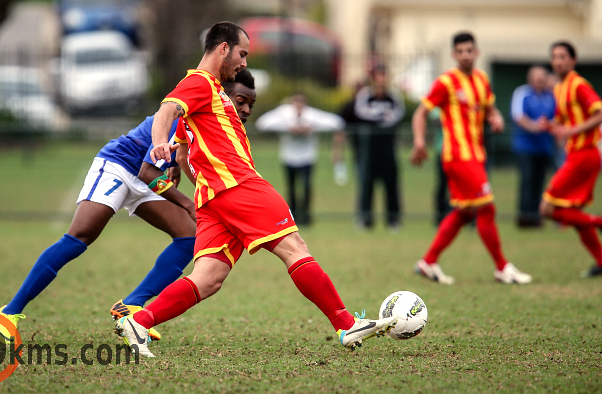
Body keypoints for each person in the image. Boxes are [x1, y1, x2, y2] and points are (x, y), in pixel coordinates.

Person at [114, 21, 398, 357]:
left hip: (212, 199)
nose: (245, 62)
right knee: (295, 247)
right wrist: (160, 142)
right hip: (238, 185)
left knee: (208, 278)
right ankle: (347, 324)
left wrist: (178, 158)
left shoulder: (214, 90)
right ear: (223, 48)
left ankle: (140, 321)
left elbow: (185, 143)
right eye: (242, 53)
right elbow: (167, 110)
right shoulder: (200, 83)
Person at [0, 69, 258, 344]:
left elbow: (182, 153)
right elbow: (147, 169)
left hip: (150, 177)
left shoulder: (219, 124)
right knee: (80, 237)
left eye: (251, 104)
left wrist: (176, 166)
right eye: (240, 101)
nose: (246, 109)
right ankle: (9, 311)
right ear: (221, 96)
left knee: (188, 237)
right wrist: (189, 204)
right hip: (120, 167)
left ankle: (130, 306)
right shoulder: (190, 109)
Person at [409, 31, 532, 285]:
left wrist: (495, 118)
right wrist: (420, 142)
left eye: (469, 50)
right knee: (487, 207)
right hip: (457, 155)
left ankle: (428, 262)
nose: (465, 55)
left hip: (476, 154)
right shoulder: (446, 82)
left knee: (465, 212)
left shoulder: (481, 79)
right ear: (454, 55)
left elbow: (489, 107)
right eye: (460, 51)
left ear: (476, 53)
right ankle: (502, 267)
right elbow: (420, 113)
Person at [539, 41, 602, 278]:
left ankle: (601, 222)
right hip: (575, 154)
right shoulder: (559, 88)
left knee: (547, 209)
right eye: (554, 56)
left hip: (584, 155)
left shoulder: (579, 85)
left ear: (573, 60)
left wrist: (571, 132)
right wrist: (552, 126)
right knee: (574, 215)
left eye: (563, 56)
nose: (558, 61)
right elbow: (567, 124)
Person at [255, 93, 345, 225]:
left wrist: (312, 128)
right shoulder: (284, 113)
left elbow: (336, 122)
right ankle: (293, 216)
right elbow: (262, 123)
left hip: (307, 158)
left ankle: (307, 216)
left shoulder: (311, 115)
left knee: (307, 187)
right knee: (291, 188)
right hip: (288, 157)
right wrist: (288, 129)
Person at [340, 64, 405, 230]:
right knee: (366, 183)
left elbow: (398, 115)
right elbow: (361, 112)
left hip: (388, 146)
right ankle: (364, 219)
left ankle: (393, 220)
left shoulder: (393, 97)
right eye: (378, 75)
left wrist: (380, 120)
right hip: (368, 147)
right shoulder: (365, 95)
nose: (381, 79)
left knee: (391, 182)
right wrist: (381, 118)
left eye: (384, 75)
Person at [511, 66, 556, 227]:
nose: (540, 80)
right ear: (530, 78)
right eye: (536, 77)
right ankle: (525, 217)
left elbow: (557, 116)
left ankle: (537, 217)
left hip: (544, 147)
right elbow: (518, 116)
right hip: (525, 147)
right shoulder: (522, 93)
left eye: (542, 77)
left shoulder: (550, 96)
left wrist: (549, 126)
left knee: (540, 182)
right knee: (527, 181)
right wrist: (536, 127)